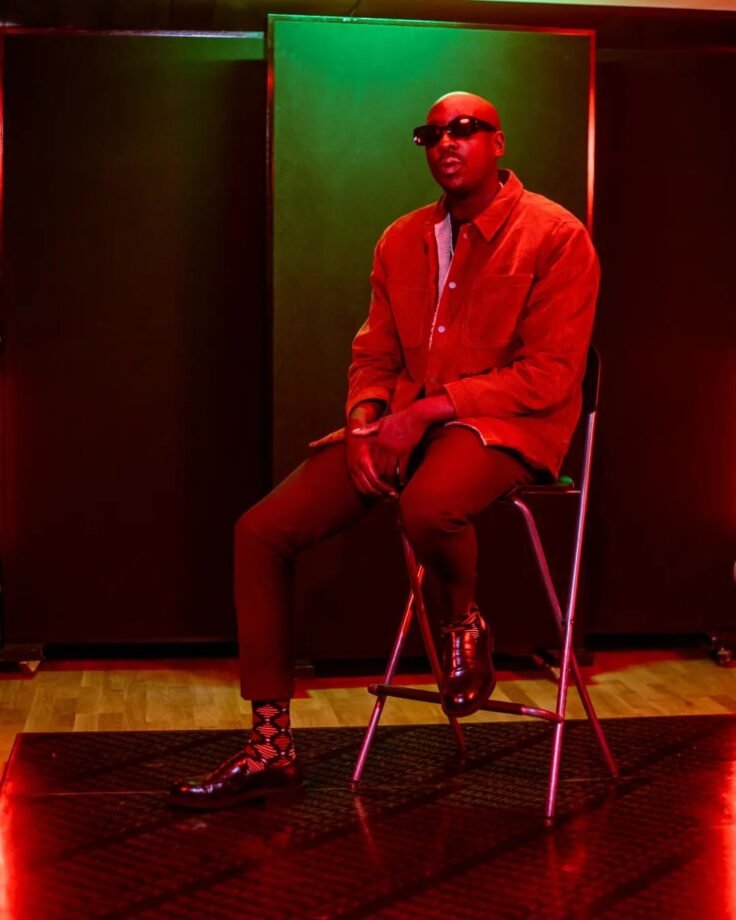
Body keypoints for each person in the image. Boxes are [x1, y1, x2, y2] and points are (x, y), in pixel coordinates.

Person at [170, 91, 599, 809]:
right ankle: (271, 749)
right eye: (432, 134)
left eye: (465, 129)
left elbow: (551, 375)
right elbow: (373, 353)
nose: (447, 142)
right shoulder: (401, 239)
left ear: (498, 142)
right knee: (260, 532)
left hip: (508, 426)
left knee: (428, 507)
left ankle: (461, 620)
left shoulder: (555, 235)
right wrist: (366, 417)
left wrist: (427, 410)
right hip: (405, 426)